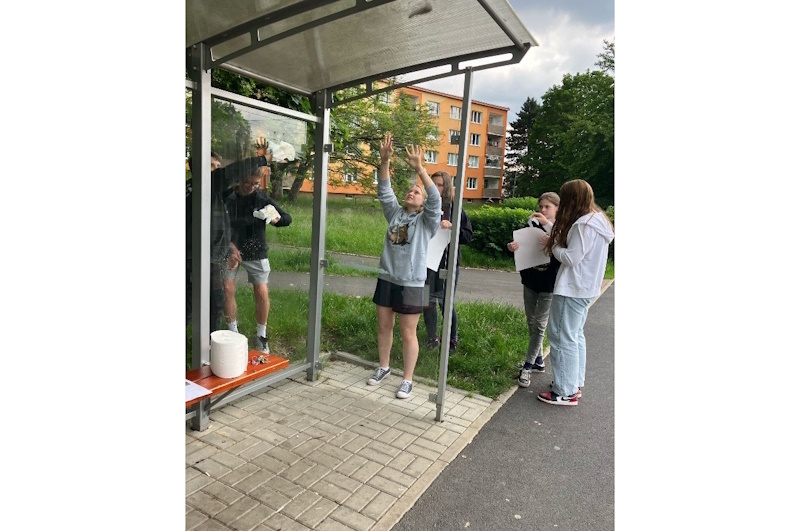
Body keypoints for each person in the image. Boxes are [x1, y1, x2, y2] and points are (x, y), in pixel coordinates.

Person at [367, 132, 441, 399]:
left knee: (408, 333)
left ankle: (407, 380)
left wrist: (420, 169)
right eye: (409, 190)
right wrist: (384, 161)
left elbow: (436, 200)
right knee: (383, 327)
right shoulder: (395, 213)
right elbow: (384, 190)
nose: (411, 192)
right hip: (387, 278)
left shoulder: (427, 221)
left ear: (422, 202)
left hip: (413, 283)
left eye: (416, 192)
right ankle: (384, 367)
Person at [536, 179, 614, 406]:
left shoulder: (582, 225)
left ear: (571, 199)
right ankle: (573, 383)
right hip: (587, 287)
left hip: (572, 288)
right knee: (575, 335)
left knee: (561, 337)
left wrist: (554, 246)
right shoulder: (599, 220)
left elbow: (572, 257)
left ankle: (565, 391)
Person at [186, 139, 270, 333]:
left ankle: (210, 346)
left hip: (208, 259)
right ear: (197, 168)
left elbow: (213, 228)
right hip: (195, 261)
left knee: (214, 304)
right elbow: (232, 172)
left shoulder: (204, 191)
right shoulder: (203, 184)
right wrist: (262, 159)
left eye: (218, 166)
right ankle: (205, 347)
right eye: (211, 166)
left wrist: (228, 249)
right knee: (194, 308)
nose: (216, 170)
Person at [223, 165, 292, 354]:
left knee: (261, 290)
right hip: (229, 248)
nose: (251, 187)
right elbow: (218, 224)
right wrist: (229, 246)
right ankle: (233, 333)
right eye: (247, 182)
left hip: (255, 249)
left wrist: (277, 220)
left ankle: (261, 335)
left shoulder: (261, 198)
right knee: (227, 287)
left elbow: (287, 218)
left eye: (255, 184)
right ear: (239, 179)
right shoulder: (227, 196)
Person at [506, 192, 561, 388]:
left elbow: (564, 248)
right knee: (531, 321)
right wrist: (513, 247)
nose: (543, 210)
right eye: (541, 206)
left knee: (539, 325)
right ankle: (538, 360)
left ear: (557, 209)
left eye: (547, 207)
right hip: (530, 280)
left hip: (549, 284)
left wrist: (549, 232)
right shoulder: (532, 225)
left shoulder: (561, 228)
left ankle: (527, 366)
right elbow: (523, 246)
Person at [422, 171, 473, 354]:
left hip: (447, 263)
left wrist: (453, 227)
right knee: (426, 300)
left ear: (447, 187)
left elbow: (468, 236)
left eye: (440, 185)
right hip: (426, 263)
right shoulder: (424, 207)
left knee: (445, 302)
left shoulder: (455, 209)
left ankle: (451, 338)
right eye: (433, 184)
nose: (436, 188)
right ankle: (432, 337)